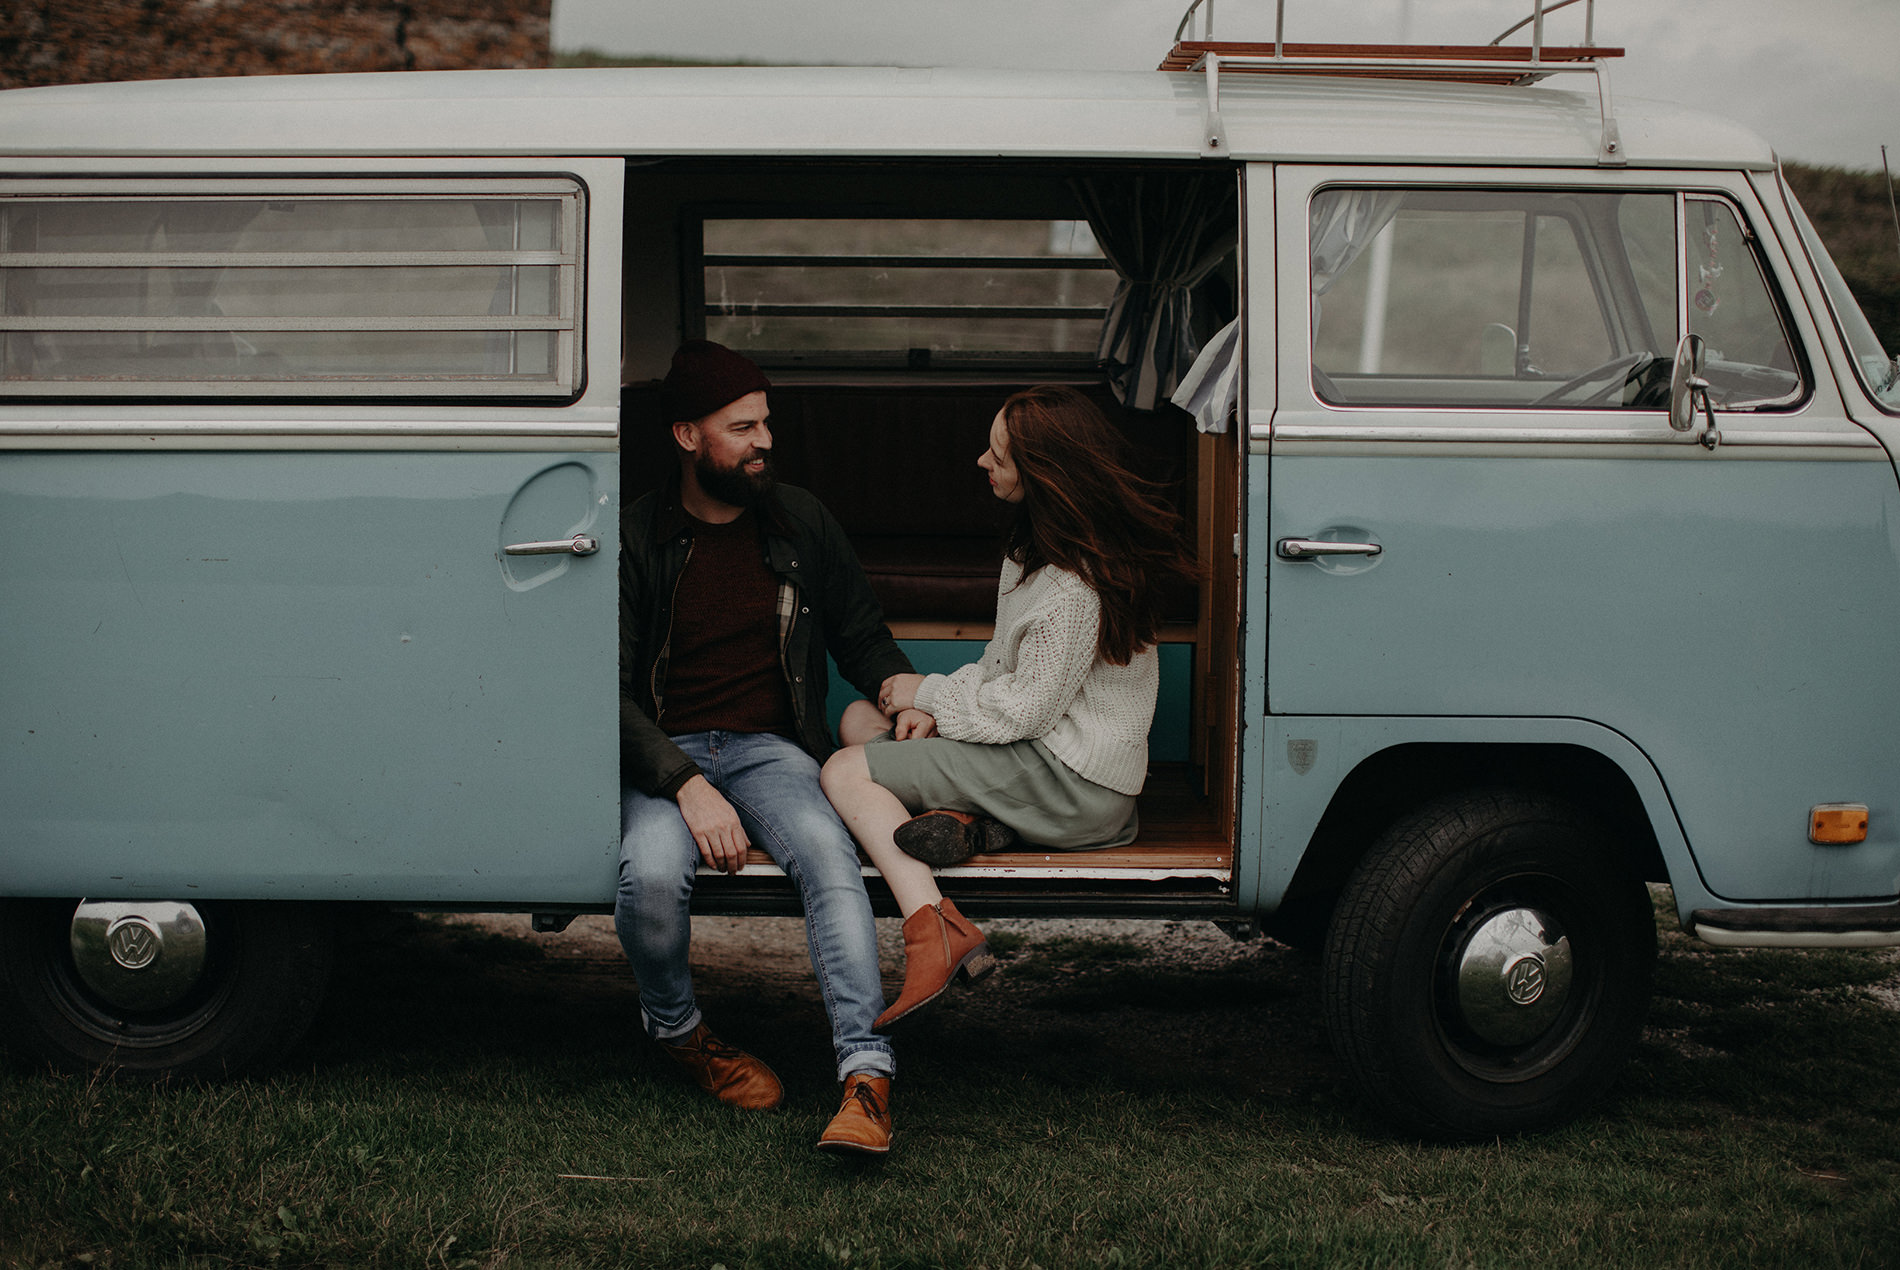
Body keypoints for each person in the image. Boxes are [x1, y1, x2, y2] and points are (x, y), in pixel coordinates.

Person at [821, 384, 1198, 1029]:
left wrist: (929, 694)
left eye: (998, 455)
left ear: (1043, 476)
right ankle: (970, 820)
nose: (981, 462)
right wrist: (933, 709)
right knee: (860, 719)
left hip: (1073, 784)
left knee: (842, 771)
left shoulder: (1075, 587)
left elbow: (1023, 709)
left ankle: (933, 926)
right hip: (1046, 763)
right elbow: (1003, 669)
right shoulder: (1033, 556)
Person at [618, 339, 913, 1156]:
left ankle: (866, 1075)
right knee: (648, 877)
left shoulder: (799, 521)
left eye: (766, 423)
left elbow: (862, 634)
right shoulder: (638, 536)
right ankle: (683, 1036)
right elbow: (601, 691)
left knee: (828, 857)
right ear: (687, 436)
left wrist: (901, 693)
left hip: (770, 750)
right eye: (741, 426)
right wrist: (682, 782)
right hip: (662, 754)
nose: (764, 441)